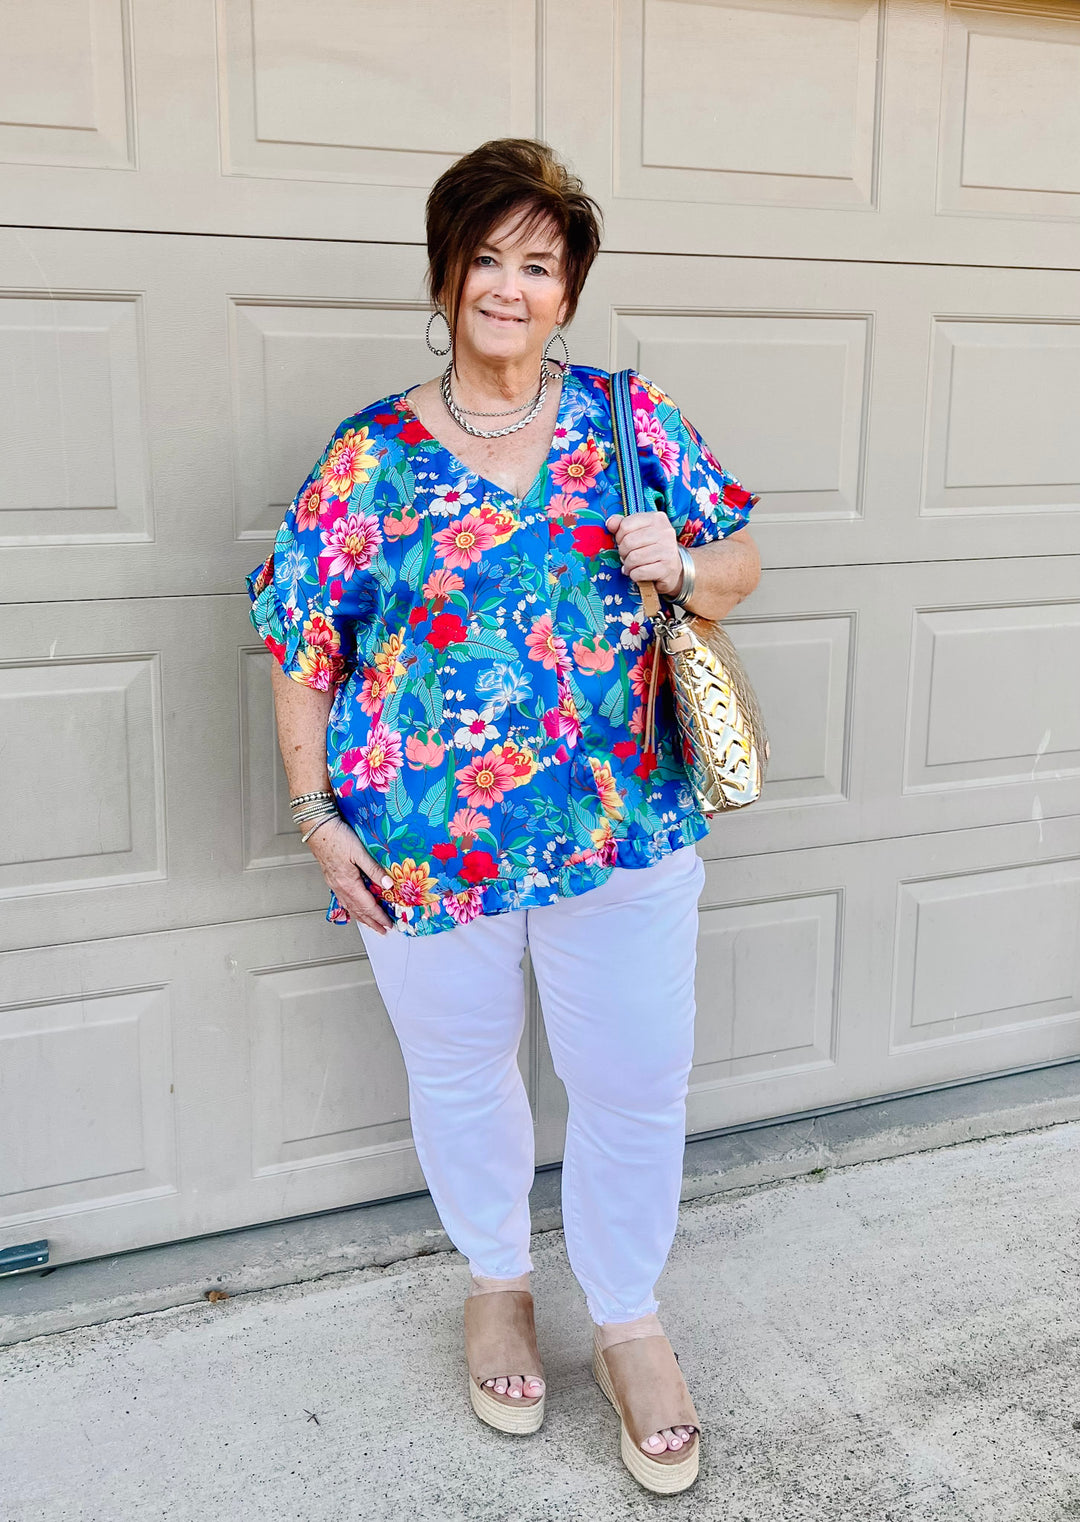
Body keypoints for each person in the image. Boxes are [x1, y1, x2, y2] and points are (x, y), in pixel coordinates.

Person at [246, 137, 761, 1494]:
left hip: (621, 825)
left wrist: (692, 565)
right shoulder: (369, 456)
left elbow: (744, 561)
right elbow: (302, 642)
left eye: (539, 264)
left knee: (636, 1079)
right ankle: (496, 1282)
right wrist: (314, 813)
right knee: (462, 1071)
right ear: (444, 273)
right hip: (418, 843)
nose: (510, 287)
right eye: (487, 258)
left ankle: (630, 1317)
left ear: (569, 291)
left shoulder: (629, 422)